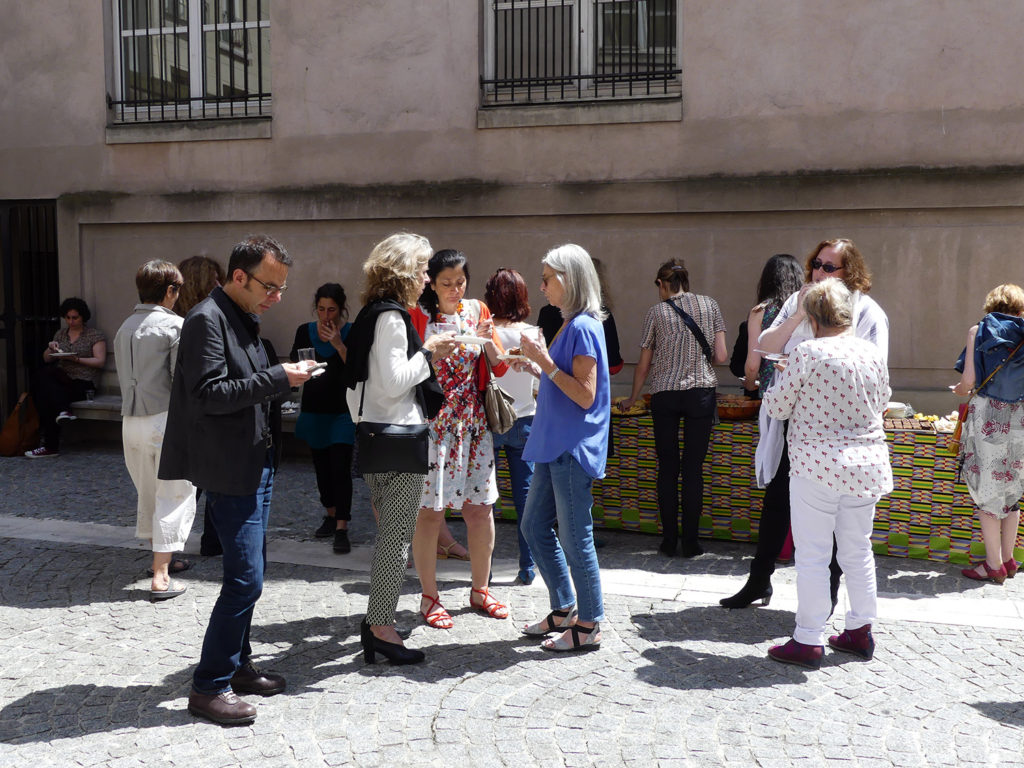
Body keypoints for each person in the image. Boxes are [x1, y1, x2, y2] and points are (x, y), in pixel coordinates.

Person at [159, 234, 314, 726]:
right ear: (240, 276)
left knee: (252, 575)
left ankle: (239, 666)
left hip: (256, 461)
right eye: (270, 286)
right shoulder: (206, 319)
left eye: (282, 288)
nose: (277, 297)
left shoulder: (241, 315)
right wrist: (280, 377)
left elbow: (244, 385)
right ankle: (208, 687)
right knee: (246, 580)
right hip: (230, 470)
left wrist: (286, 377)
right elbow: (210, 393)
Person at [720, 238, 889, 609]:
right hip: (798, 427)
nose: (819, 273)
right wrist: (798, 313)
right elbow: (765, 346)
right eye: (816, 264)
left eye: (829, 267)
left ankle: (827, 599)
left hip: (842, 432)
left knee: (838, 531)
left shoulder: (867, 312)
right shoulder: (798, 302)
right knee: (777, 502)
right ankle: (759, 579)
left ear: (850, 273)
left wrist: (809, 369)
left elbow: (876, 372)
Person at [763, 278, 892, 669]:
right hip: (866, 464)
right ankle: (860, 629)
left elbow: (777, 407)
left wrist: (786, 374)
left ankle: (808, 638)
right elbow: (883, 401)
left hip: (816, 465)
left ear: (814, 319)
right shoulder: (870, 353)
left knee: (813, 555)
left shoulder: (807, 352)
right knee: (858, 549)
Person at [344, 232, 455, 664]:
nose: (427, 278)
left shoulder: (372, 313)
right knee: (395, 539)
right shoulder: (391, 317)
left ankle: (378, 621)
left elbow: (358, 385)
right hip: (399, 437)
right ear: (405, 271)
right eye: (423, 269)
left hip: (376, 433)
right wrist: (429, 351)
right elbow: (394, 382)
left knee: (391, 536)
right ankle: (381, 627)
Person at [516, 244, 611, 652]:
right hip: (555, 444)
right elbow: (564, 382)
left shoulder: (583, 326)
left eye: (547, 279)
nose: (542, 287)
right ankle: (564, 607)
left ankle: (588, 623)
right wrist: (537, 365)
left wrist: (545, 364)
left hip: (571, 447)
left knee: (575, 538)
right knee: (533, 526)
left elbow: (585, 396)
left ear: (569, 279)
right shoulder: (572, 323)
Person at [412, 249, 510, 629]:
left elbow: (500, 364)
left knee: (480, 508)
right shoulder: (418, 316)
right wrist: (434, 355)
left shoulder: (478, 311)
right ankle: (429, 596)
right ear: (432, 285)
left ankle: (480, 589)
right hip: (434, 425)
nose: (455, 289)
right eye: (447, 283)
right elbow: (407, 370)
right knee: (430, 513)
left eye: (460, 282)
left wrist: (487, 341)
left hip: (473, 423)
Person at [618, 259, 728, 558]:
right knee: (693, 470)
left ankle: (668, 541)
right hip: (700, 393)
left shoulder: (656, 312)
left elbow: (643, 365)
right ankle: (691, 543)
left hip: (665, 394)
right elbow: (721, 355)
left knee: (667, 469)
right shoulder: (710, 305)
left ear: (661, 283)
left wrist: (632, 398)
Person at [113, 260, 197, 601]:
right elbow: (181, 382)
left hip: (130, 421)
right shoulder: (175, 326)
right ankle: (161, 576)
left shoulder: (125, 326)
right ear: (170, 290)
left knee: (148, 493)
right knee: (175, 493)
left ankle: (162, 560)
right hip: (165, 419)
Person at [952, 284, 1024, 584]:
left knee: (987, 491)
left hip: (988, 417)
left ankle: (993, 565)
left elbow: (969, 381)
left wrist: (960, 390)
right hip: (1020, 417)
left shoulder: (978, 330)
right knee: (1012, 490)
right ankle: (1008, 559)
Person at [742, 254, 805, 563]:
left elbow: (752, 365)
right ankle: (793, 543)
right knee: (801, 476)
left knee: (776, 473)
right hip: (806, 400)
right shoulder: (807, 309)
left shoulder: (760, 312)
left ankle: (777, 547)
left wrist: (750, 386)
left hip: (774, 400)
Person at [290, 283, 355, 554]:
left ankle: (342, 526)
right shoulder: (304, 331)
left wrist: (338, 344)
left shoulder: (351, 332)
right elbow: (294, 364)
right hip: (315, 410)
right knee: (322, 469)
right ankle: (330, 514)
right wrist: (302, 370)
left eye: (332, 310)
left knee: (340, 468)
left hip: (343, 412)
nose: (326, 315)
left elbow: (356, 369)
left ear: (341, 309)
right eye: (321, 309)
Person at [484, 267, 538, 585]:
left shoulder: (484, 333)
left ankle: (485, 570)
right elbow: (540, 383)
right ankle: (527, 567)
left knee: (485, 500)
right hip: (525, 417)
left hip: (490, 418)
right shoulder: (532, 333)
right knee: (526, 500)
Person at [175, 255, 226, 558]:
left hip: (193, 411)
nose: (221, 284)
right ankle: (182, 545)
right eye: (215, 279)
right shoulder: (198, 321)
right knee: (194, 484)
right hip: (197, 412)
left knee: (196, 483)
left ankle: (207, 541)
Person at [26, 297, 107, 458]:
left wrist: (76, 359)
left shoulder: (94, 335)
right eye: (68, 318)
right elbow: (47, 359)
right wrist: (51, 348)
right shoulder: (61, 334)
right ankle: (63, 411)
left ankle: (50, 446)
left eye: (75, 317)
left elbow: (100, 361)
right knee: (43, 377)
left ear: (82, 317)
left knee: (47, 395)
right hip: (62, 379)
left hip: (84, 381)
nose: (71, 321)